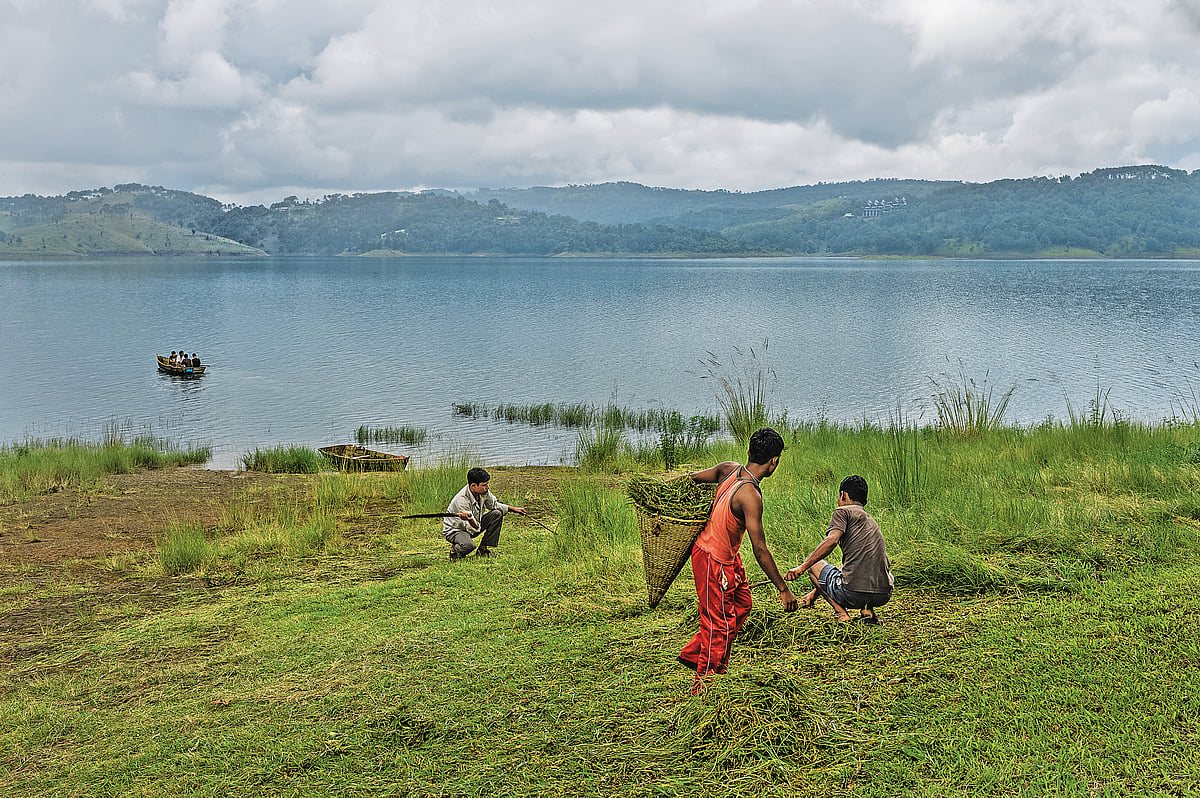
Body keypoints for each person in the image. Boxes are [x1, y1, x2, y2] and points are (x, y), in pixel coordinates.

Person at [678, 427, 797, 695]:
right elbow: (761, 549)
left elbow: (689, 479)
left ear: (749, 452)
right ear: (774, 461)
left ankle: (693, 653)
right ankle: (707, 687)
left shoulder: (728, 468)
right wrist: (782, 588)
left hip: (728, 557)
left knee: (742, 603)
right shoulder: (750, 496)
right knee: (717, 625)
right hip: (712, 560)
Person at [785, 474, 893, 624]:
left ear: (843, 495)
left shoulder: (843, 511)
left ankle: (841, 613)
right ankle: (868, 611)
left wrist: (802, 567)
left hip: (853, 594)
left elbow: (832, 540)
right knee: (851, 567)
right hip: (883, 594)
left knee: (814, 566)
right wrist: (813, 595)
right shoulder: (870, 521)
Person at [443, 467, 526, 559]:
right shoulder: (462, 500)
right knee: (469, 546)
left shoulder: (483, 492)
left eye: (487, 484)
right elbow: (471, 528)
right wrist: (470, 520)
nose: (487, 487)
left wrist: (514, 509)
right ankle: (455, 550)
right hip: (457, 529)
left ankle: (482, 549)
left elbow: (494, 505)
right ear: (473, 486)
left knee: (497, 514)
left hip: (474, 524)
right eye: (484, 485)